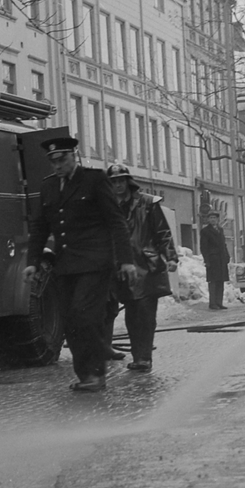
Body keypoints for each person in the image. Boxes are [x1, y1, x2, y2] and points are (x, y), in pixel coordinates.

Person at [23, 137, 137, 392]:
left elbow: (116, 221)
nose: (57, 165)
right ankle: (85, 374)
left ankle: (96, 374)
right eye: (52, 161)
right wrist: (32, 262)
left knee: (85, 315)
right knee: (70, 320)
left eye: (62, 159)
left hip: (95, 263)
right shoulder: (49, 186)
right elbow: (40, 226)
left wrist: (126, 260)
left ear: (74, 156)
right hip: (65, 266)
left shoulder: (94, 180)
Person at [104, 164, 178, 372]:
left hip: (147, 266)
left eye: (121, 180)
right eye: (114, 182)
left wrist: (170, 256)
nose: (118, 185)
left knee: (145, 314)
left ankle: (143, 357)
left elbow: (162, 232)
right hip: (122, 268)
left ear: (128, 181)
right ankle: (138, 356)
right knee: (131, 314)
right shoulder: (107, 206)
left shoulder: (146, 203)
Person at [200, 210, 231, 310]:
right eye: (211, 218)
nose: (213, 220)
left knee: (220, 281)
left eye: (214, 218)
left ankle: (219, 302)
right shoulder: (205, 231)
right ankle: (212, 303)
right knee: (213, 281)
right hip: (213, 259)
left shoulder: (220, 230)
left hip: (221, 259)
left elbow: (223, 244)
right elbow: (204, 247)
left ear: (218, 219)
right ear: (208, 220)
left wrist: (227, 255)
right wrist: (207, 260)